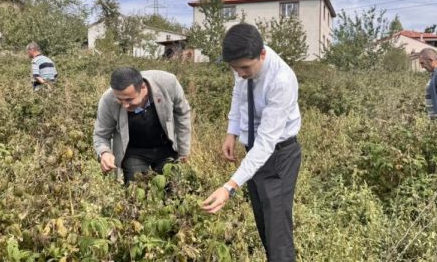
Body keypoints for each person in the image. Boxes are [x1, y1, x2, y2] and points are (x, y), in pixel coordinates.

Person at [202, 23, 302, 262]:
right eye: (235, 69)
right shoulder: (243, 59)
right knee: (264, 225)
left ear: (262, 54)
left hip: (278, 157)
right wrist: (232, 132)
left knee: (278, 234)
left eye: (245, 68)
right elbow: (239, 94)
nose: (240, 73)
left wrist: (229, 187)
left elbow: (266, 143)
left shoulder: (282, 80)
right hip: (253, 152)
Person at [93, 67, 191, 183]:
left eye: (129, 99)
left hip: (166, 147)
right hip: (134, 151)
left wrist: (184, 150)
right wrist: (104, 153)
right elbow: (101, 134)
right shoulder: (108, 100)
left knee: (171, 189)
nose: (125, 105)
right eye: (120, 99)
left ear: (143, 88)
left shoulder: (168, 83)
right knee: (137, 191)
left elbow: (182, 114)